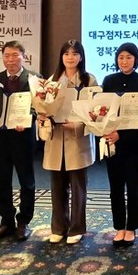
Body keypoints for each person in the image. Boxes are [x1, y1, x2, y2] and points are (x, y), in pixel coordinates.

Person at [39, 39, 97, 245]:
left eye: (74, 54)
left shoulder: (89, 80)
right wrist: (42, 116)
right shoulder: (51, 81)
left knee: (78, 188)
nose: (70, 58)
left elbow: (96, 112)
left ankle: (77, 228)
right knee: (57, 187)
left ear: (81, 57)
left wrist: (78, 125)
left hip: (77, 140)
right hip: (56, 140)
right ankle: (58, 227)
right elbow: (42, 108)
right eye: (66, 54)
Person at [0, 40, 38, 242]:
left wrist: (28, 118)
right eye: (7, 55)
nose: (11, 60)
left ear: (24, 57)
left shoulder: (34, 79)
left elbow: (39, 107)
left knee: (27, 181)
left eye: (15, 55)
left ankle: (24, 222)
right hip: (0, 138)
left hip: (23, 137)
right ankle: (6, 221)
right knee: (2, 180)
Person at [101, 42, 138, 248]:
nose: (124, 61)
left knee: (133, 186)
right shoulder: (109, 80)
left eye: (129, 57)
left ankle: (131, 227)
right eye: (121, 57)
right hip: (112, 142)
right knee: (115, 187)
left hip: (134, 143)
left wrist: (121, 134)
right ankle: (119, 226)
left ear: (136, 59)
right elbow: (103, 110)